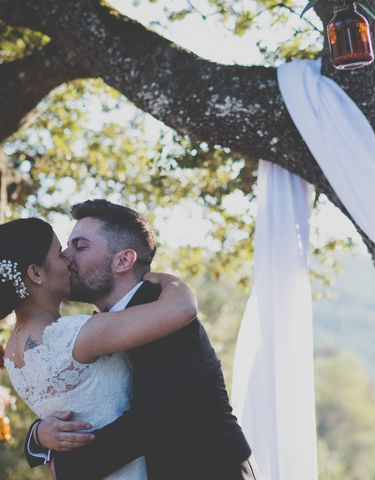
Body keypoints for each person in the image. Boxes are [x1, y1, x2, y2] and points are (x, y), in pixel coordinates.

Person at [18, 200, 256, 479]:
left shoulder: (165, 316)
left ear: (123, 260)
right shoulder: (99, 328)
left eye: (80, 247)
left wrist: (66, 467)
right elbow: (89, 398)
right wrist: (37, 438)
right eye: (68, 247)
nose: (67, 256)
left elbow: (154, 421)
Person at [2, 216, 196, 479]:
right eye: (60, 253)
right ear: (35, 274)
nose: (69, 258)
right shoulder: (75, 335)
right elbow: (182, 308)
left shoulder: (12, 356)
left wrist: (37, 435)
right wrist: (163, 279)